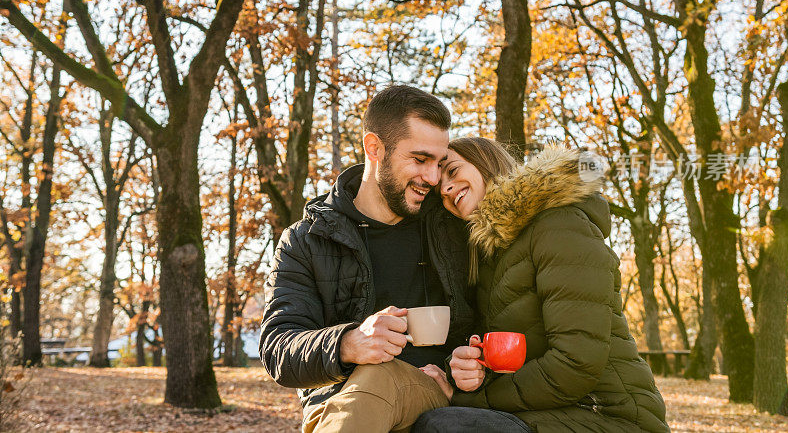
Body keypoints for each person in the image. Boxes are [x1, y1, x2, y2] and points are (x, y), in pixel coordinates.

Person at [416, 138, 670, 433]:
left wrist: (474, 400)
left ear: (486, 162)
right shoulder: (490, 257)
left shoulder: (560, 225)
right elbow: (515, 356)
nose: (446, 189)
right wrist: (469, 370)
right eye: (439, 190)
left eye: (452, 170)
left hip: (610, 413)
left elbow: (576, 363)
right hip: (552, 412)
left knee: (445, 427)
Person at [260, 85, 475, 433]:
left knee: (381, 377)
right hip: (340, 402)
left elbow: (490, 317)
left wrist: (464, 365)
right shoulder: (306, 239)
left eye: (439, 163)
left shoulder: (451, 228)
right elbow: (278, 348)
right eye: (420, 160)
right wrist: (349, 342)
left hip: (431, 393)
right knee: (373, 379)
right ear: (374, 148)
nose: (433, 178)